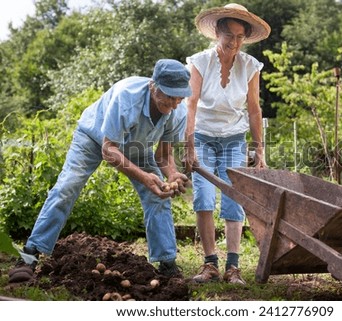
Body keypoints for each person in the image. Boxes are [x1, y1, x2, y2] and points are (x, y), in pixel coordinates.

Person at [8, 59, 192, 283]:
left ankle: (167, 265)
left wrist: (171, 174)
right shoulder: (127, 97)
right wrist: (144, 177)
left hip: (136, 146)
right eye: (169, 96)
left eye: (179, 97)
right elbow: (109, 149)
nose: (174, 103)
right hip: (95, 138)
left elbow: (163, 156)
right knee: (67, 186)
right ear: (153, 86)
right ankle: (30, 254)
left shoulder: (178, 111)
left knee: (159, 195)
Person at [184, 3, 270, 284]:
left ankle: (233, 267)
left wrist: (259, 150)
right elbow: (192, 103)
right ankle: (210, 264)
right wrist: (189, 144)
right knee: (204, 196)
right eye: (229, 35)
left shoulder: (250, 66)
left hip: (234, 137)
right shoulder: (199, 61)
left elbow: (254, 109)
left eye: (239, 37)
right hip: (203, 136)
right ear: (217, 33)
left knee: (235, 198)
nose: (234, 42)